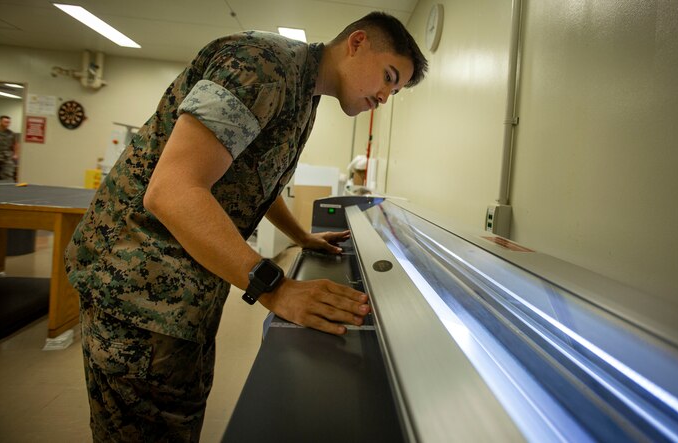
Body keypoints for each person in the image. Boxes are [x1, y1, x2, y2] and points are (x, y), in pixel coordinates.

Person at [64, 11, 427, 442]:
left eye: (395, 89)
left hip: (185, 291)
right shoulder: (262, 66)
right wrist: (277, 289)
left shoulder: (303, 93)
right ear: (357, 43)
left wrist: (301, 237)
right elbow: (172, 191)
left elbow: (253, 178)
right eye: (388, 76)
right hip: (137, 287)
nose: (386, 96)